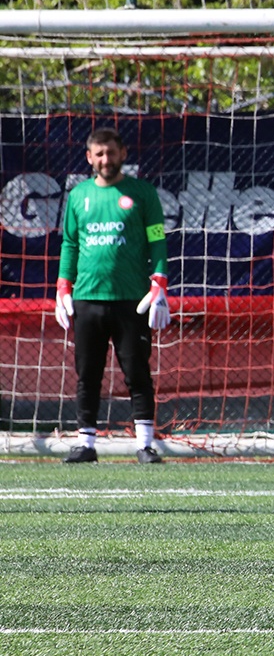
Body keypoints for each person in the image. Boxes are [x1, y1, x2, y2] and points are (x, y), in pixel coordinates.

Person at [55, 127, 172, 464]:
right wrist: (63, 286)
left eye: (111, 152)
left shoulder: (143, 193)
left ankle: (145, 445)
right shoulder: (79, 196)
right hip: (88, 298)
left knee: (137, 372)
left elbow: (157, 240)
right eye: (99, 154)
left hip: (131, 299)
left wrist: (159, 283)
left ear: (123, 154)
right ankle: (85, 444)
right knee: (88, 374)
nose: (106, 159)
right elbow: (70, 244)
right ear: (90, 158)